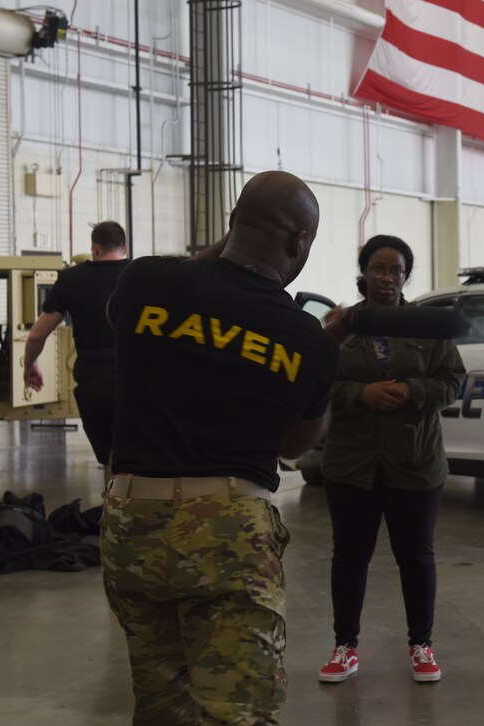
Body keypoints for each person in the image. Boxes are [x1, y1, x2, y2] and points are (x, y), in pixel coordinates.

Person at [101, 171, 343, 725]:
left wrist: (227, 246)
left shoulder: (145, 283)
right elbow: (296, 447)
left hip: (132, 521)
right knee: (237, 711)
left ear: (232, 222)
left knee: (161, 704)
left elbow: (184, 279)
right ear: (300, 242)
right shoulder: (306, 340)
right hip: (227, 529)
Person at [316, 235, 465, 684]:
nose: (386, 278)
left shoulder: (426, 325)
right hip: (351, 464)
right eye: (378, 268)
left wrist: (411, 391)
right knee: (349, 557)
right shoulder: (338, 327)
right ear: (363, 272)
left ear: (406, 276)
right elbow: (314, 381)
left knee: (416, 557)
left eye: (396, 270)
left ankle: (422, 645)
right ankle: (345, 646)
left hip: (415, 462)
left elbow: (453, 380)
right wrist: (362, 393)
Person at [24, 220, 128, 483]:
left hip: (94, 383)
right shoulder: (140, 276)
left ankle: (112, 517)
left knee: (111, 459)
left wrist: (30, 365)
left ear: (94, 249)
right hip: (137, 381)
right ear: (125, 248)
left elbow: (37, 334)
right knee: (137, 459)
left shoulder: (71, 279)